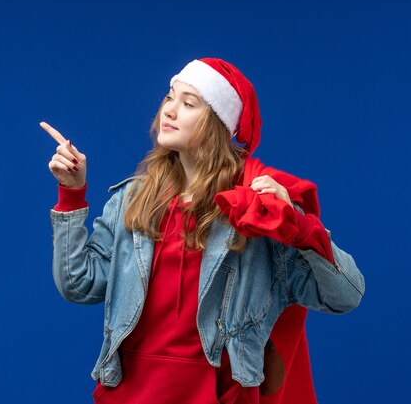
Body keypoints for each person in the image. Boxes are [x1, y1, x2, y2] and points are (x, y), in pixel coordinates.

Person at [41, 58, 365, 404]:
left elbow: (344, 296)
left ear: (216, 124)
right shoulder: (131, 200)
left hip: (216, 395)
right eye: (169, 97)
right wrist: (72, 194)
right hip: (128, 393)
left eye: (188, 103)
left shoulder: (257, 210)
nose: (169, 110)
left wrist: (299, 227)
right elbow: (78, 283)